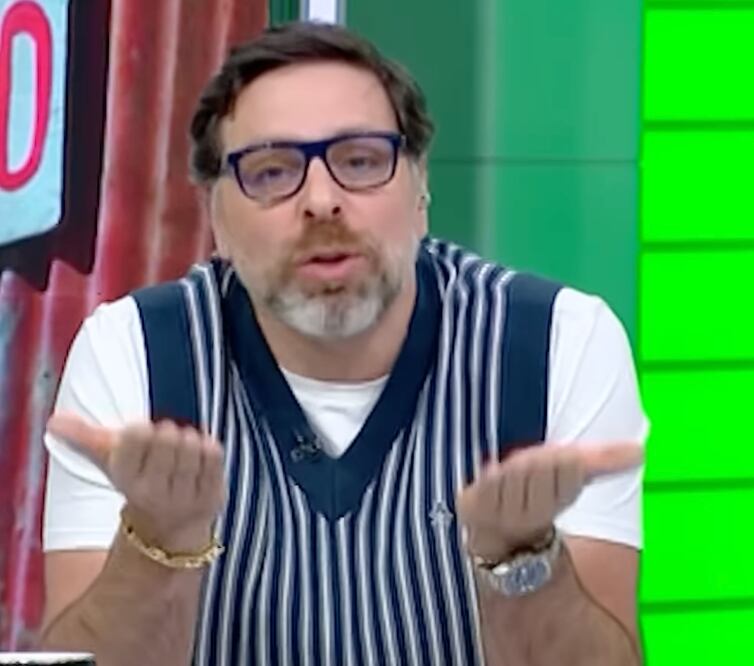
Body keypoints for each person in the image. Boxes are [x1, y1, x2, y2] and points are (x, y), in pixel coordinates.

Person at [39, 21, 647, 666]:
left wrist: (522, 561)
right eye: (272, 172)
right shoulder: (133, 353)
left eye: (360, 161)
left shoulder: (554, 342)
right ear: (215, 215)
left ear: (420, 188)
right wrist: (159, 543)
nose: (322, 201)